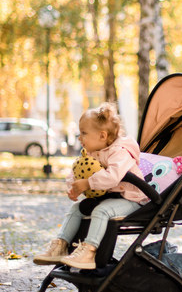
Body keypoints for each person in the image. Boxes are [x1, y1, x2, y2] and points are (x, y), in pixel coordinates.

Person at [33, 103, 146, 269]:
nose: (79, 138)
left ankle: (89, 251)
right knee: (76, 208)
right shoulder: (92, 151)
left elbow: (113, 177)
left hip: (130, 199)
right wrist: (73, 186)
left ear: (102, 135)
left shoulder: (120, 152)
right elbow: (78, 170)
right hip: (109, 197)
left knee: (101, 211)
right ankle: (61, 245)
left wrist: (88, 183)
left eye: (83, 133)